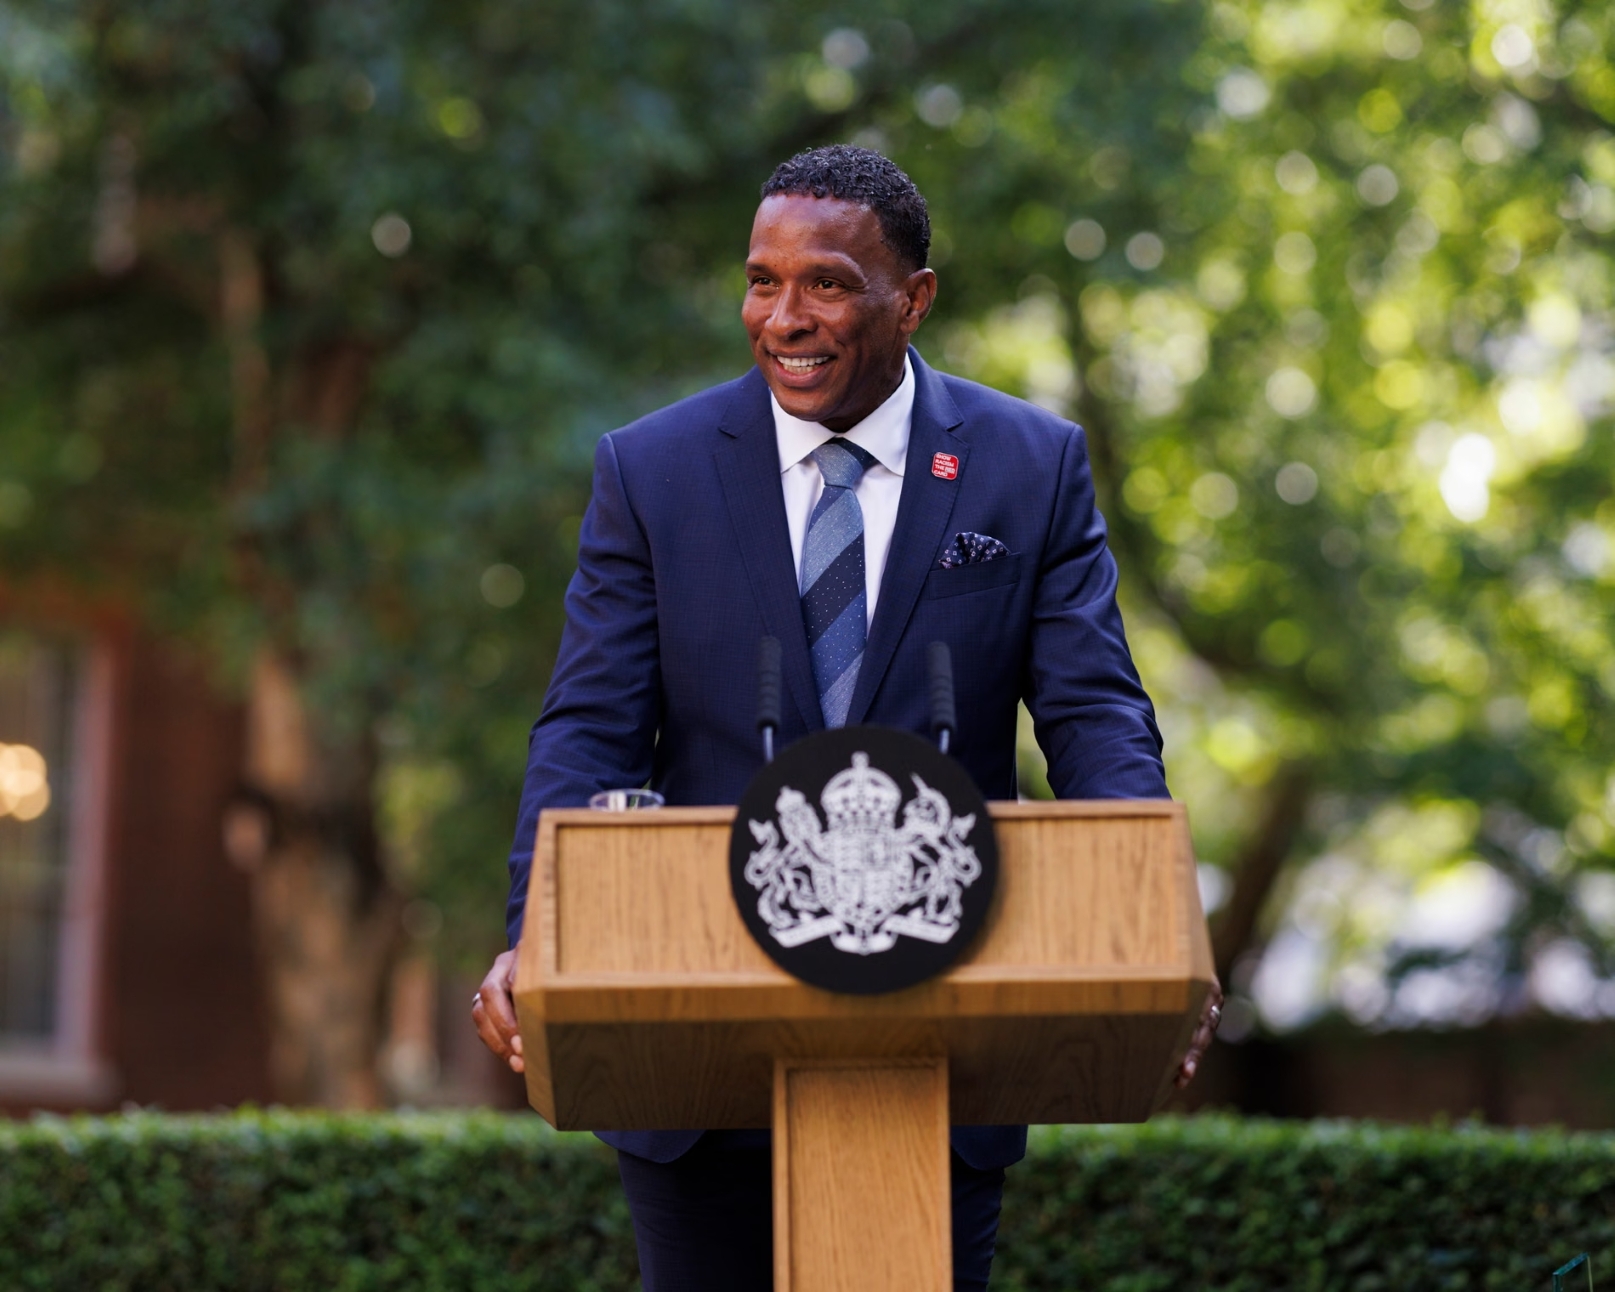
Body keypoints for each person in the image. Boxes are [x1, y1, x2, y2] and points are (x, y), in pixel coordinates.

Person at [474, 144, 1222, 1291]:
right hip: (689, 1023)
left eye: (824, 281)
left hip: (943, 1018)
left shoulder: (1029, 467)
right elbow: (588, 725)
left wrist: (1153, 924)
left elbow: (1095, 712)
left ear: (911, 299)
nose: (784, 316)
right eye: (761, 280)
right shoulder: (652, 470)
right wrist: (538, 930)